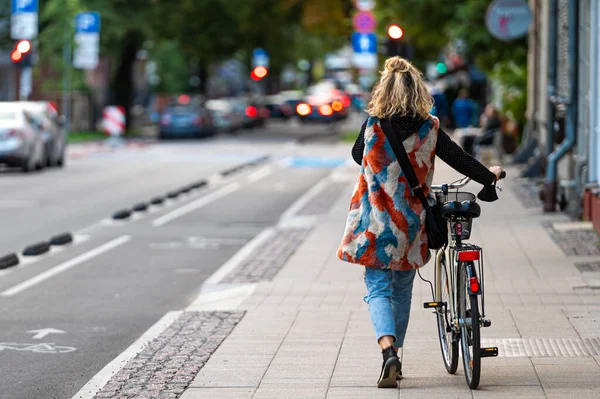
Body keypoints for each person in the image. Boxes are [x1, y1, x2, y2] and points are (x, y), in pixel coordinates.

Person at [338, 57, 503, 389]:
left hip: (374, 224)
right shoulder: (430, 127)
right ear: (418, 92)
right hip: (411, 224)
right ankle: (397, 352)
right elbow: (459, 158)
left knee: (378, 290)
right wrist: (490, 176)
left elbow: (359, 156)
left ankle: (388, 353)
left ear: (384, 91)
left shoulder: (373, 124)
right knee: (401, 292)